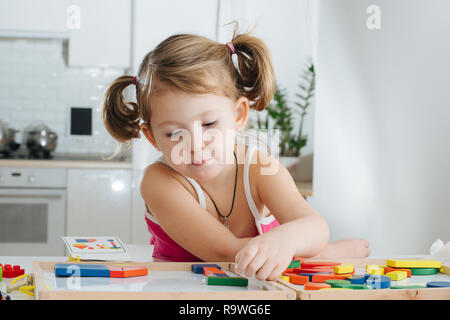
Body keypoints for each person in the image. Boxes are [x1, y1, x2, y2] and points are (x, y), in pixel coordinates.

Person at [102, 24, 370, 281]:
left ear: (238, 114)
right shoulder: (159, 181)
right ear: (152, 138)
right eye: (173, 133)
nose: (195, 144)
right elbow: (225, 252)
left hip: (260, 288)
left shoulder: (260, 167)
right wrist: (317, 251)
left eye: (209, 124)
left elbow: (315, 227)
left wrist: (286, 240)